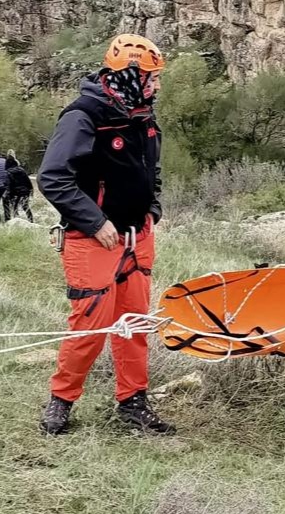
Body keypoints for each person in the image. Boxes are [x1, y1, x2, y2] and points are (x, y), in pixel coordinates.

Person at [37, 33, 173, 436]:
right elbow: (53, 177)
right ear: (131, 73)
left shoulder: (144, 116)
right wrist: (96, 222)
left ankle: (133, 402)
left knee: (134, 326)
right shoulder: (83, 116)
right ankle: (61, 401)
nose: (157, 85)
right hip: (91, 240)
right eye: (152, 76)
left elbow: (152, 172)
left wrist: (153, 209)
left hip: (137, 238)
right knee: (90, 327)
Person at [4, 156, 34, 222]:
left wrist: (7, 194)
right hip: (25, 191)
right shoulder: (22, 170)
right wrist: (31, 190)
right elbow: (28, 181)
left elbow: (9, 184)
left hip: (15, 192)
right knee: (25, 206)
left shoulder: (8, 172)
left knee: (14, 207)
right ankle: (31, 220)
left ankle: (16, 220)